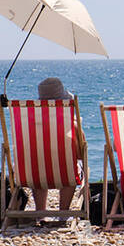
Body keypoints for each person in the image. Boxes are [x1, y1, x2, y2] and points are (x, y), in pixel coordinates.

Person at [34, 77, 77, 214]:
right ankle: (63, 213)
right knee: (71, 168)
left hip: (34, 173)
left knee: (37, 164)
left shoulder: (30, 126)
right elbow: (81, 151)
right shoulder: (71, 125)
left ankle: (40, 212)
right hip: (65, 173)